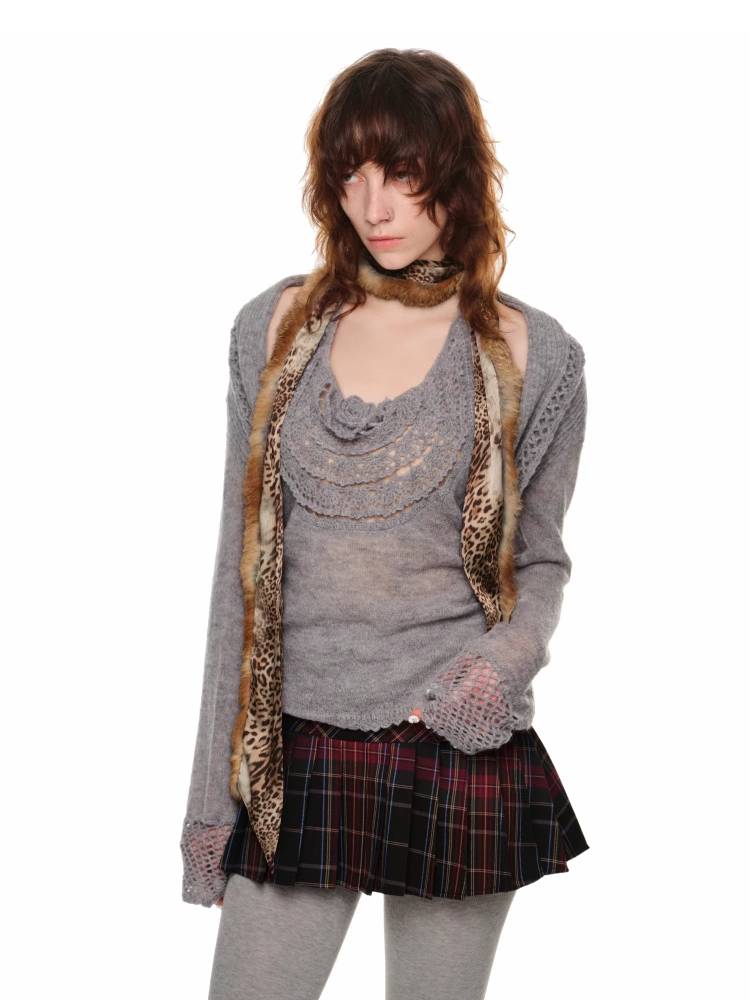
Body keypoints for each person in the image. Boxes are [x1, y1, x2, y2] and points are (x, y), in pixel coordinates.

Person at [180, 47, 590, 1000]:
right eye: (351, 174)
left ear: (455, 175)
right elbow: (237, 577)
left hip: (451, 738)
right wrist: (208, 801)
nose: (376, 205)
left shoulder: (534, 351)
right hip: (292, 748)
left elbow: (541, 561)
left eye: (403, 173)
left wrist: (492, 673)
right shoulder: (274, 327)